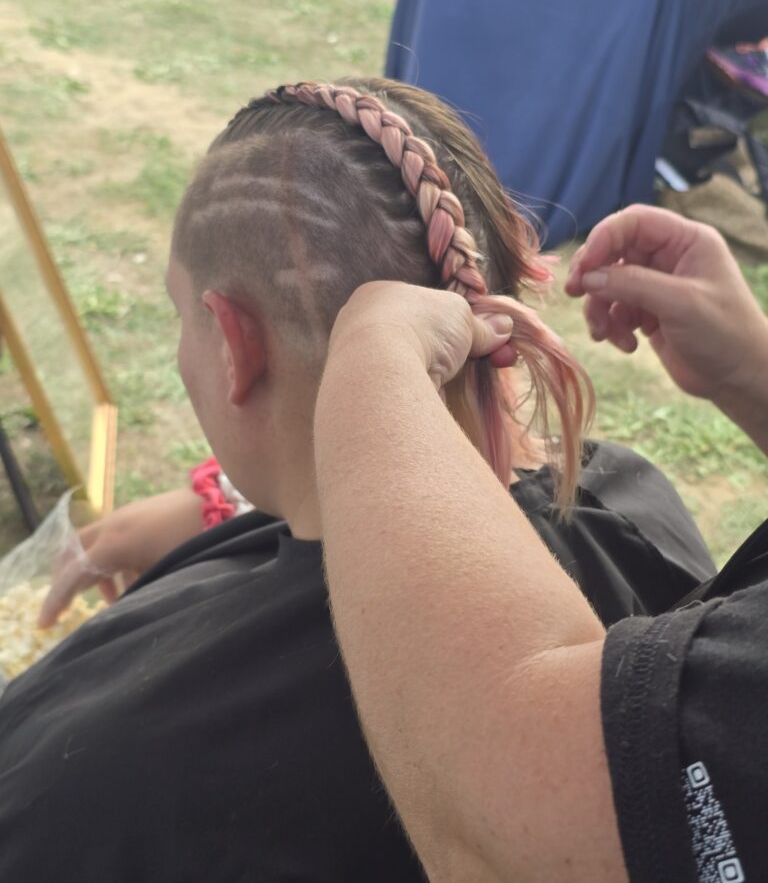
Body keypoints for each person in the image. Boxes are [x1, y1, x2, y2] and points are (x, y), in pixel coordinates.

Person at [0, 84, 710, 881]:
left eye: (179, 316)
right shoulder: (630, 502)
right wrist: (217, 513)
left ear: (236, 344)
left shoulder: (90, 782)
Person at [314, 204, 768, 883]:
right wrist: (751, 371)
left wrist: (371, 354)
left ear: (237, 343)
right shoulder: (632, 498)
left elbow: (499, 816)